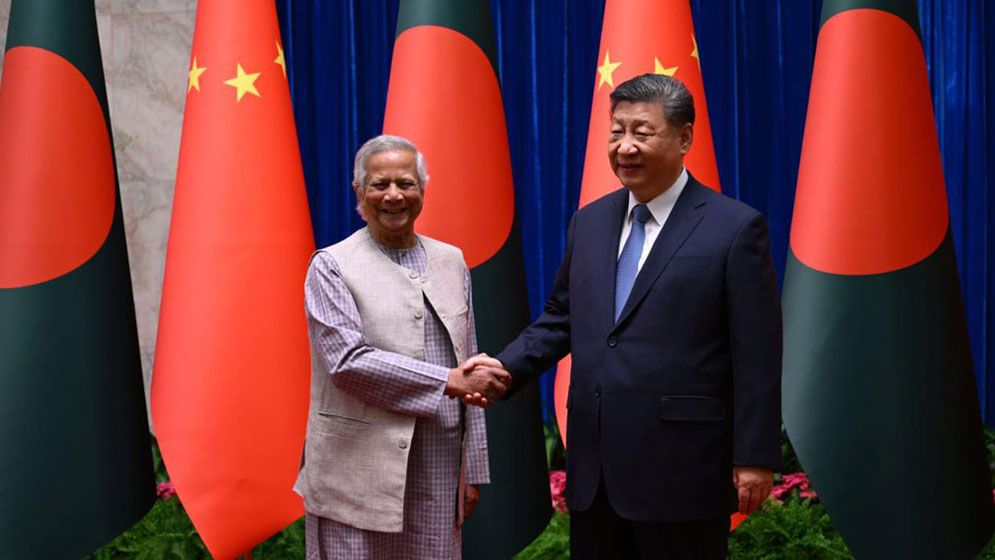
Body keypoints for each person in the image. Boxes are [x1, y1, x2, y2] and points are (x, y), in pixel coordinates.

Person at [475, 74, 782, 559]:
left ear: (684, 138)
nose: (625, 147)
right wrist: (503, 369)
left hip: (683, 470)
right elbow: (561, 318)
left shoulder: (735, 227)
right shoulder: (590, 221)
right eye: (617, 132)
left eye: (642, 132)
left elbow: (757, 353)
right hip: (596, 472)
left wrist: (754, 457)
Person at [295, 135, 509, 559]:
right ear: (359, 191)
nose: (394, 195)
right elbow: (347, 363)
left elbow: (469, 360)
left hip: (438, 466)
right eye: (380, 184)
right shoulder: (331, 265)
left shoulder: (451, 260)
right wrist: (447, 381)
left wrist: (472, 469)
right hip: (355, 472)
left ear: (422, 190)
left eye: (406, 183)